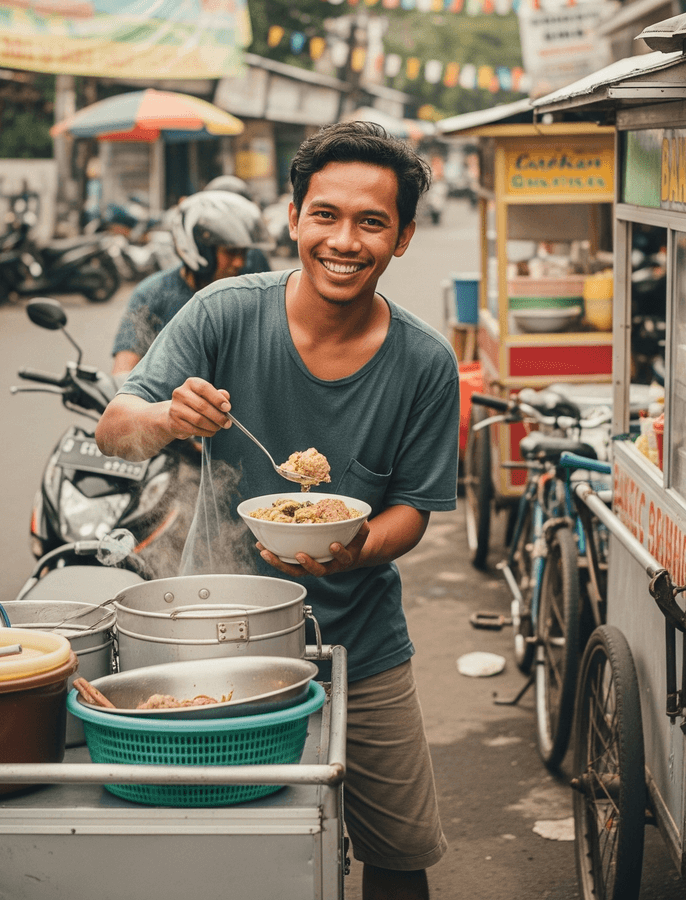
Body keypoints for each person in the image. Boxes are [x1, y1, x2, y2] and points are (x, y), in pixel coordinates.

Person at [96, 121, 459, 900]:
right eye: (325, 215)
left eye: (372, 222)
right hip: (214, 634)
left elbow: (413, 513)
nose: (344, 240)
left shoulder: (425, 364)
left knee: (400, 854)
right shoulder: (224, 313)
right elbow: (115, 431)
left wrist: (353, 548)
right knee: (225, 850)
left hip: (362, 643)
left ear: (402, 238)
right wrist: (166, 420)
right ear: (292, 219)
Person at [111, 187, 272, 376]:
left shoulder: (251, 291)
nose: (240, 262)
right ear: (202, 250)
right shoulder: (152, 294)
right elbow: (123, 372)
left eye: (243, 252)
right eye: (231, 252)